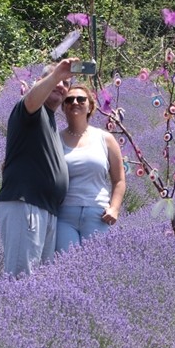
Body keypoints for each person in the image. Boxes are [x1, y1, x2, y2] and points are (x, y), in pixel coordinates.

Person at [0, 58, 75, 277]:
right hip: (26, 205)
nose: (61, 86)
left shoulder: (49, 119)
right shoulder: (31, 109)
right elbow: (31, 100)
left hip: (44, 209)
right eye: (56, 80)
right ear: (41, 81)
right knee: (21, 279)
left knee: (36, 285)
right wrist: (57, 75)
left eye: (66, 84)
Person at [55, 84, 126, 250]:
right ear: (63, 107)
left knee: (95, 269)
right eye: (69, 100)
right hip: (64, 215)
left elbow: (119, 180)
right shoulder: (55, 140)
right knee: (65, 268)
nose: (75, 102)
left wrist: (114, 208)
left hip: (98, 215)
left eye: (81, 99)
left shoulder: (105, 138)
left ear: (90, 106)